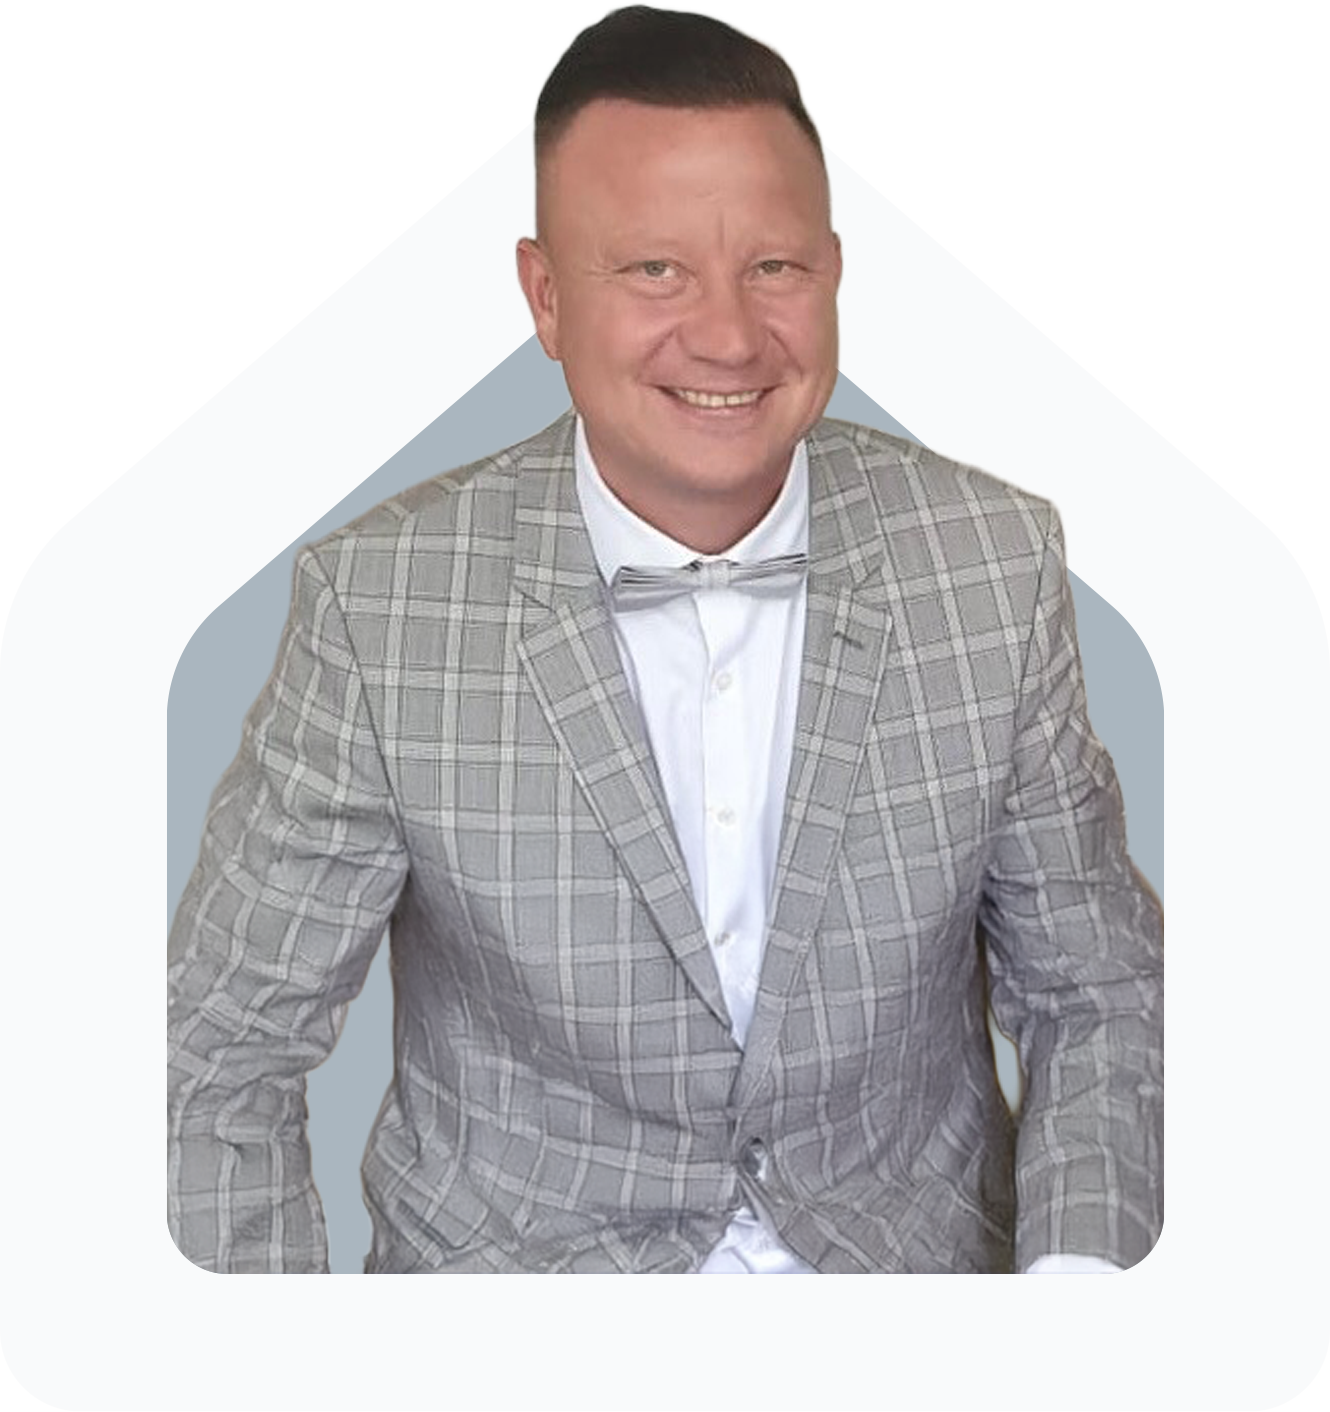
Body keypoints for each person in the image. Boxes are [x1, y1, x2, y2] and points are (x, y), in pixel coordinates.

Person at [167, 4, 1162, 1275]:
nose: (730, 336)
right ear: (545, 297)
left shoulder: (994, 561)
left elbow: (1100, 994)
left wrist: (1074, 1317)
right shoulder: (376, 606)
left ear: (835, 272)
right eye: (654, 270)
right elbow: (218, 1051)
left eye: (774, 267)